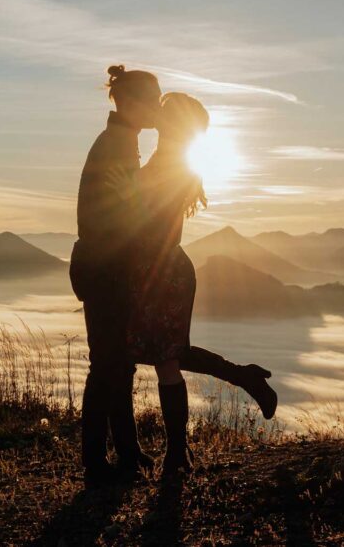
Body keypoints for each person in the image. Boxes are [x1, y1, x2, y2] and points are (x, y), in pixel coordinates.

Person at [123, 91, 277, 476]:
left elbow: (148, 224)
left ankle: (178, 454)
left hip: (162, 273)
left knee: (167, 360)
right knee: (169, 353)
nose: (157, 114)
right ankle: (246, 378)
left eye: (165, 111)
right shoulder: (171, 165)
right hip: (160, 271)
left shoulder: (171, 169)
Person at [69, 64, 161, 487]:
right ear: (128, 102)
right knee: (107, 363)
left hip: (106, 265)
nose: (157, 109)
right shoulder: (118, 145)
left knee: (118, 363)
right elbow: (127, 208)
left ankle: (126, 451)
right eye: (152, 101)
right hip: (106, 268)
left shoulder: (121, 141)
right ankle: (95, 461)